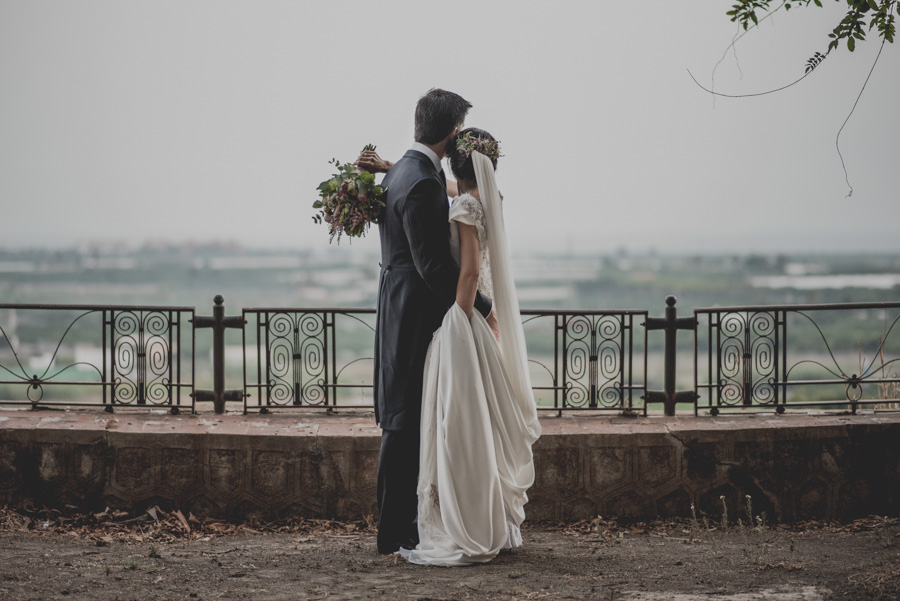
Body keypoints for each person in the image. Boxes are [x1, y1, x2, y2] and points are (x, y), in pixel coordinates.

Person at [395, 128, 541, 566]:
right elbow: (463, 188)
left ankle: (468, 522)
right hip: (483, 322)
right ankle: (494, 518)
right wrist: (390, 167)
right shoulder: (488, 200)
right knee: (484, 423)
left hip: (465, 320)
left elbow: (470, 273)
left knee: (459, 425)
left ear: (453, 163)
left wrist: (458, 317)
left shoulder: (463, 206)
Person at [371, 89, 495, 555]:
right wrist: (482, 307)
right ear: (452, 132)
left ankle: (397, 527)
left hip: (396, 303)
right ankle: (395, 532)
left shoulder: (405, 170)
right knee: (404, 422)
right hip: (414, 314)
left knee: (402, 418)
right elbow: (434, 268)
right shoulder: (422, 180)